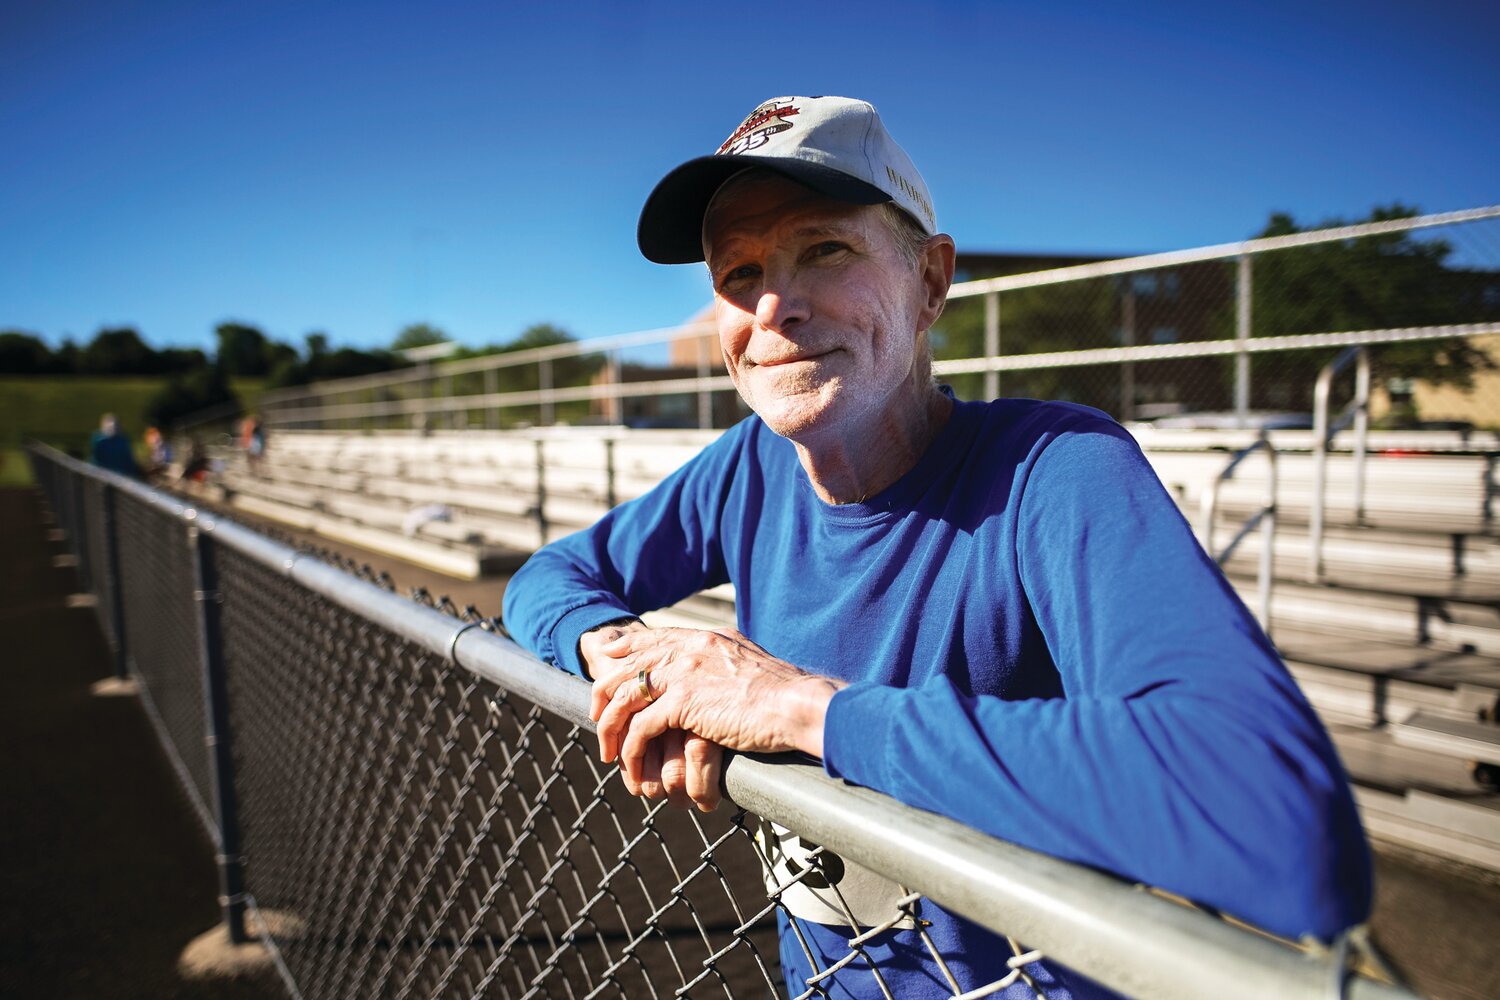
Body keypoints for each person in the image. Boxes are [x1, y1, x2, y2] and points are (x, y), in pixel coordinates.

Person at [503, 96, 1372, 998]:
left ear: (929, 282)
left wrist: (800, 710)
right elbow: (549, 578)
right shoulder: (750, 467)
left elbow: (1275, 820)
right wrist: (638, 663)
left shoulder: (1053, 465)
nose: (774, 306)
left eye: (824, 249)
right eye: (739, 270)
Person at [88, 413, 140, 478]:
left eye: (115, 427)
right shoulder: (98, 441)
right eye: (109, 427)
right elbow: (95, 460)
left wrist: (131, 475)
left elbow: (129, 460)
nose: (112, 429)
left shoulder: (123, 440)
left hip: (121, 476)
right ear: (103, 427)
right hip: (103, 476)